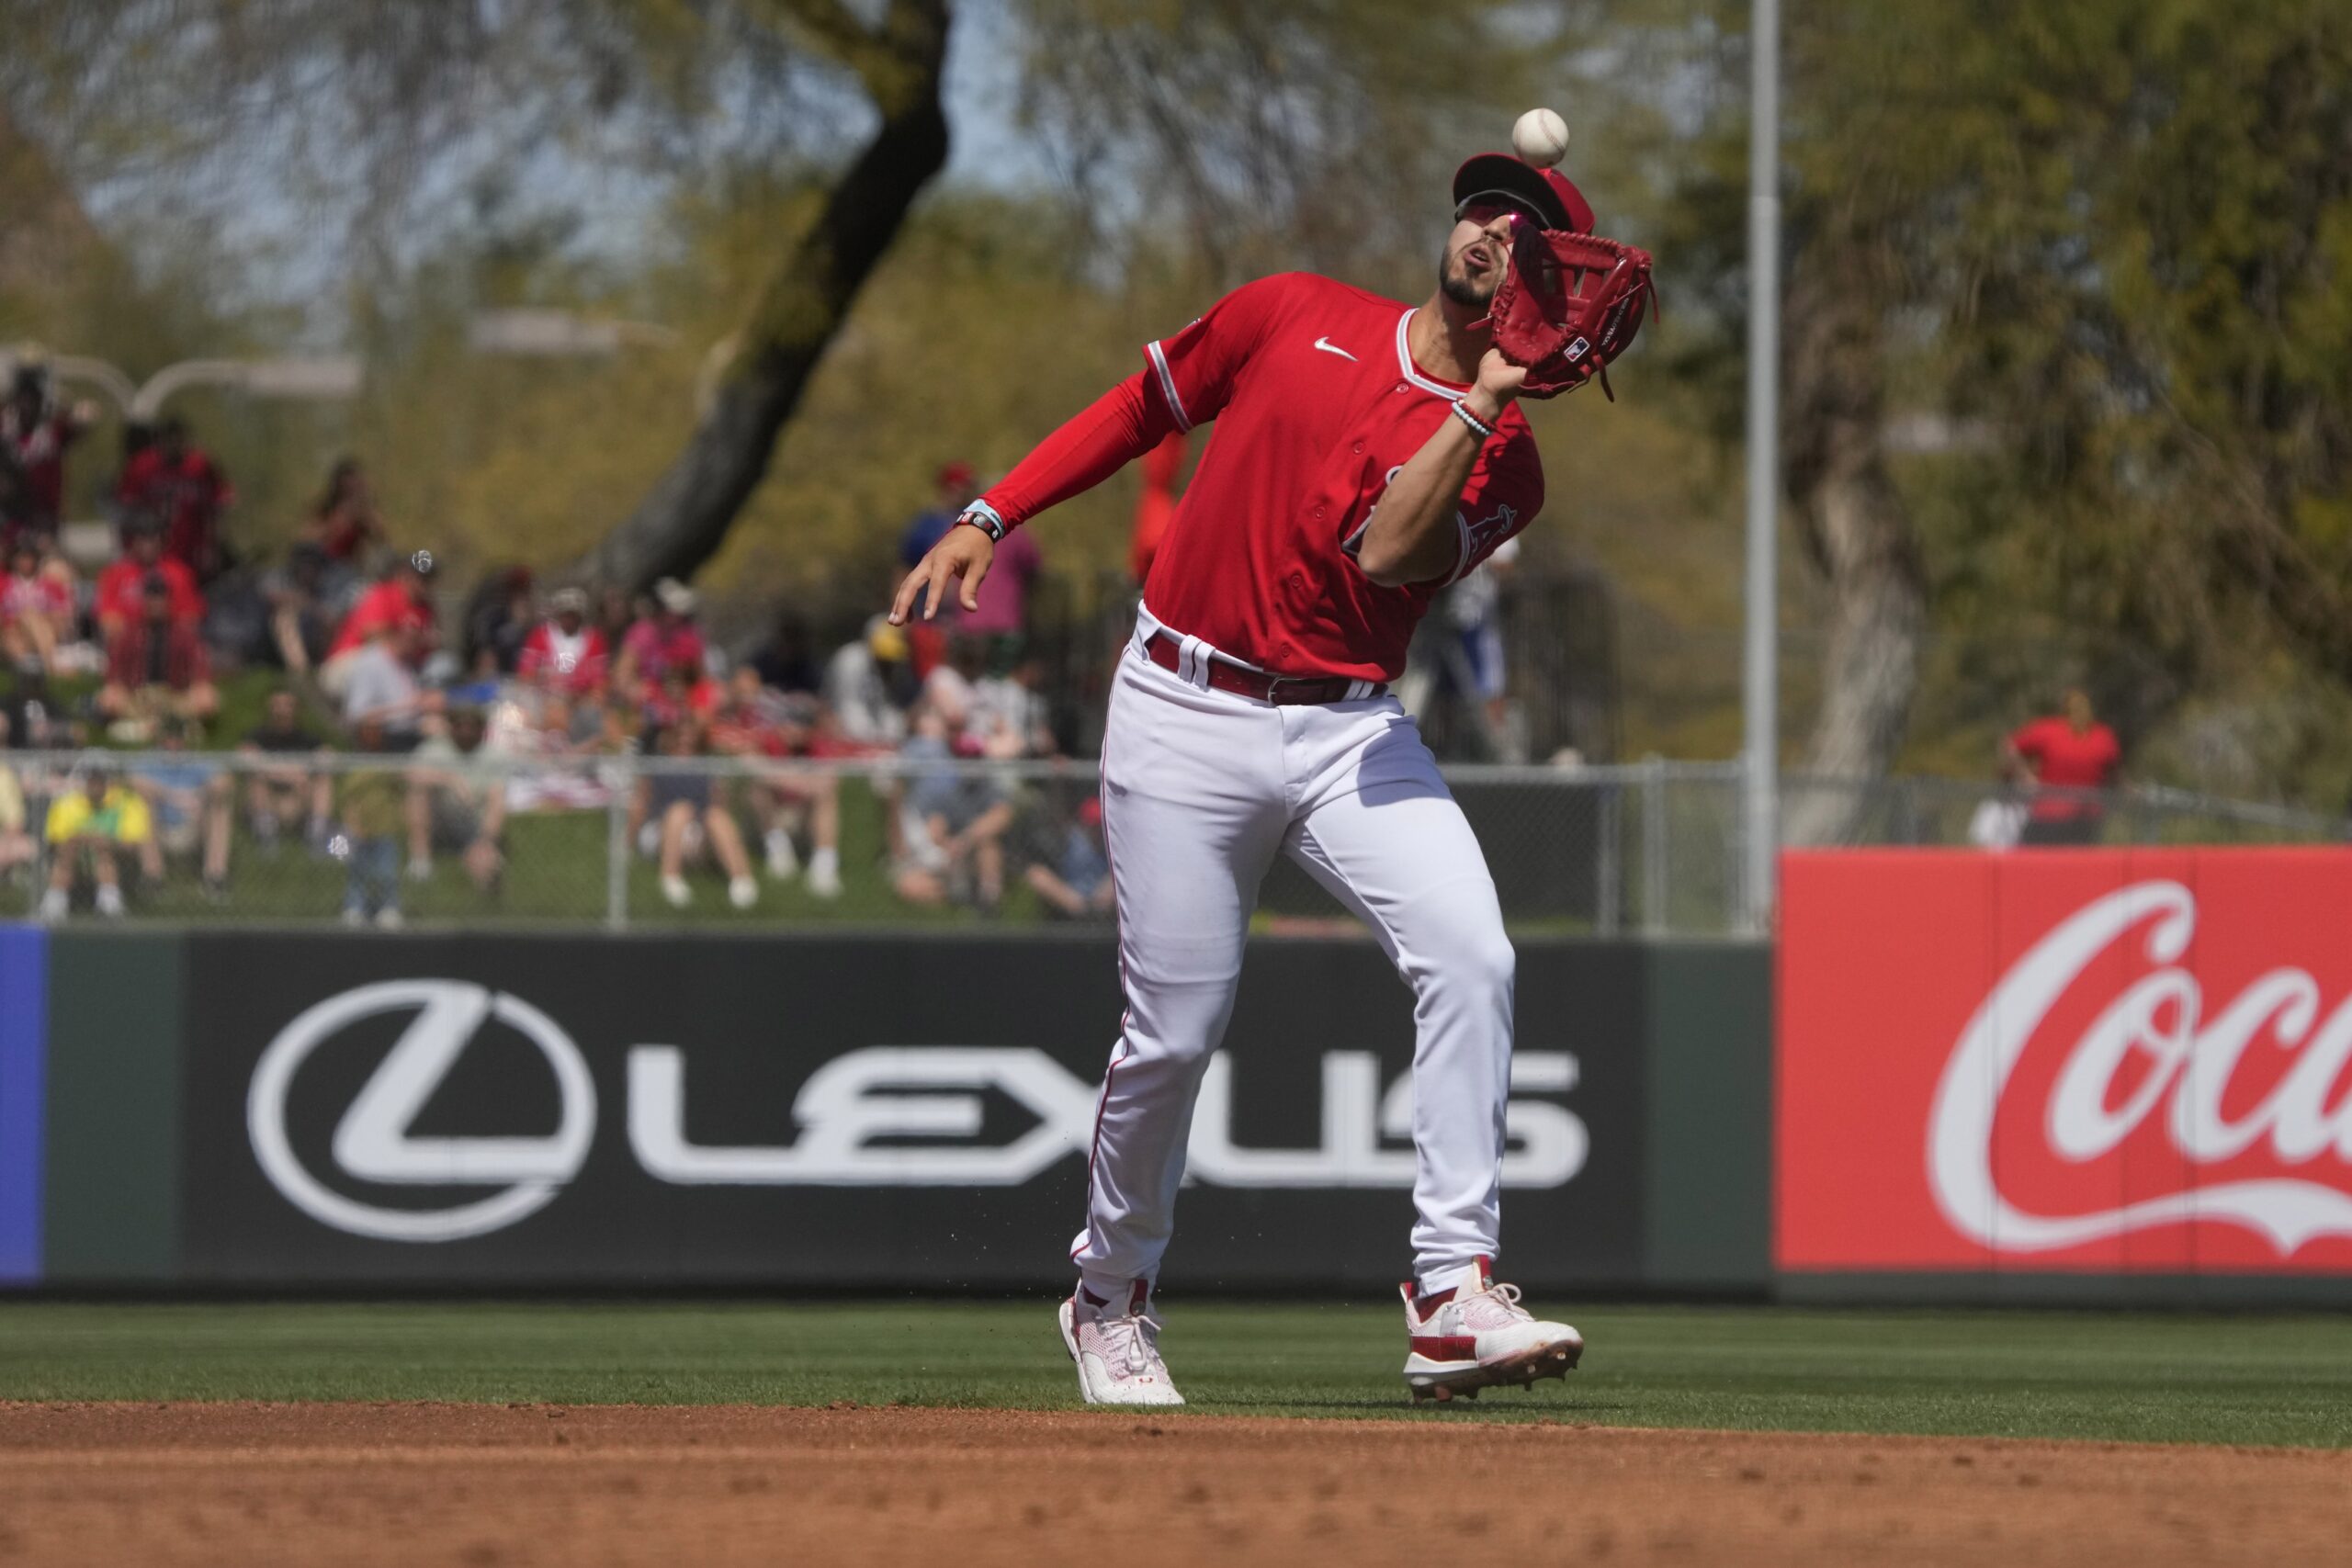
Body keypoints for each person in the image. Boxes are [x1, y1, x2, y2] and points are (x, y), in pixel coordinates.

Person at [891, 146, 1589, 1405]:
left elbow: (1386, 554)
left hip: (1348, 732)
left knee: (1474, 956)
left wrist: (1483, 400)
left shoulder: (1512, 459)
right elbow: (1135, 410)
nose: (1496, 229)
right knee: (1173, 1035)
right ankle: (1108, 1296)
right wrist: (992, 515)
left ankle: (1452, 1289)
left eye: (1531, 233)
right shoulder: (1291, 310)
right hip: (1181, 706)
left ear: (1551, 291)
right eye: (1488, 206)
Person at [708, 664, 843, 897]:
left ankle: (824, 865)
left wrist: (785, 779)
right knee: (758, 790)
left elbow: (830, 781)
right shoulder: (768, 741)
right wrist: (799, 782)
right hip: (771, 819)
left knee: (826, 798)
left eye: (802, 724)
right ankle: (777, 850)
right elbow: (752, 765)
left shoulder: (817, 746)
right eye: (792, 722)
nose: (796, 730)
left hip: (802, 817)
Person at [633, 717, 758, 910]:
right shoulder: (658, 763)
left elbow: (719, 804)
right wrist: (626, 844)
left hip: (696, 831)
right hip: (661, 829)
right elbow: (641, 802)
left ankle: (742, 879)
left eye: (691, 735)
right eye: (681, 734)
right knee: (680, 810)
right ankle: (670, 877)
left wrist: (721, 790)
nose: (686, 739)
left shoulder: (707, 765)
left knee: (716, 815)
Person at [98, 570, 220, 731]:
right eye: (151, 597)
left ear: (168, 600)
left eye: (160, 597)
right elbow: (114, 674)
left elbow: (200, 671)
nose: (156, 603)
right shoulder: (128, 634)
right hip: (138, 697)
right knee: (108, 699)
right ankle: (153, 724)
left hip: (174, 698)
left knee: (207, 700)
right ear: (144, 600)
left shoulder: (184, 635)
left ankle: (164, 723)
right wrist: (117, 690)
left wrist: (198, 689)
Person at [115, 416, 234, 580]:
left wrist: (212, 547)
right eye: (169, 439)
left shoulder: (200, 465)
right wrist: (128, 547)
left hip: (192, 550)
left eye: (179, 439)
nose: (174, 445)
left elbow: (217, 506)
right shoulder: (143, 466)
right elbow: (127, 509)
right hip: (153, 552)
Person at [127, 717, 233, 900]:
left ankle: (215, 877)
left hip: (192, 826)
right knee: (142, 806)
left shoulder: (195, 760)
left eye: (177, 736)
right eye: (169, 735)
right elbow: (133, 782)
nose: (173, 741)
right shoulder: (148, 760)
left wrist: (200, 796)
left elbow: (224, 782)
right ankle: (153, 877)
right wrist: (174, 797)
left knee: (219, 808)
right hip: (158, 828)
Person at [406, 705, 508, 890]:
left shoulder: (495, 755)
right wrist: (449, 779)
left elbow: (496, 801)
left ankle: (486, 866)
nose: (466, 732)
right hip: (437, 819)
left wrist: (487, 840)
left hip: (471, 820)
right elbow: (411, 775)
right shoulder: (434, 749)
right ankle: (420, 861)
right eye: (460, 726)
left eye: (472, 727)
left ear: (482, 729)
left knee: (485, 869)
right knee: (418, 794)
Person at [2005, 687, 2122, 846]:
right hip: (2087, 818)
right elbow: (2115, 774)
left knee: (2035, 857)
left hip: (2049, 814)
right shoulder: (2103, 736)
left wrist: (2026, 777)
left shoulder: (2049, 730)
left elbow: (2011, 745)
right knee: (2079, 858)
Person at [40, 758, 151, 920]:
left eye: (100, 779)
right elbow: (55, 842)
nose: (95, 784)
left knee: (103, 849)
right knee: (68, 849)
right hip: (74, 855)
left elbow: (132, 844)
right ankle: (55, 903)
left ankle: (109, 904)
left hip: (115, 857)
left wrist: (105, 841)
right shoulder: (65, 803)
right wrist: (83, 839)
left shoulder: (128, 802)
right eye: (91, 779)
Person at [0, 360, 98, 544]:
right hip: (9, 518)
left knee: (48, 557)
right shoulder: (6, 429)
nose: (27, 406)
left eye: (32, 400)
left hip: (45, 521)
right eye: (22, 399)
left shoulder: (53, 431)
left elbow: (87, 416)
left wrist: (62, 404)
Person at [321, 553, 436, 696]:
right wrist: (415, 640)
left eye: (429, 578)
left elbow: (431, 643)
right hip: (346, 663)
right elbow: (374, 637)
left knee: (439, 666)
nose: (424, 583)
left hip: (398, 669)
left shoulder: (425, 608)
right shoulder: (383, 594)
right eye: (420, 577)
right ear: (404, 574)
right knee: (380, 658)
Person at [238, 686, 334, 852]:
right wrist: (285, 774)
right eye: (277, 705)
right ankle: (266, 836)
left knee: (322, 780)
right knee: (256, 779)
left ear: (297, 709)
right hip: (270, 798)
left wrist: (302, 774)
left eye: (287, 705)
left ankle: (317, 833)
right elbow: (245, 756)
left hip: (299, 797)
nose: (282, 710)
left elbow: (328, 757)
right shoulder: (257, 737)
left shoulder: (309, 739)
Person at [336, 717, 408, 927]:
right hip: (357, 830)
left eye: (375, 731)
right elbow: (347, 798)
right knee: (357, 871)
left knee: (387, 871)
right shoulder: (353, 765)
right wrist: (351, 824)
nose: (371, 736)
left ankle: (389, 907)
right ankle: (354, 907)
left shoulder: (389, 764)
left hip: (385, 828)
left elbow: (400, 792)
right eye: (366, 732)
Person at [95, 515, 202, 639]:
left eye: (152, 539)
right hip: (129, 642)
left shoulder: (179, 573)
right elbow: (108, 620)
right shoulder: (115, 574)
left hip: (171, 640)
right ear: (132, 542)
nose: (147, 545)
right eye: (142, 539)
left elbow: (190, 618)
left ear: (162, 541)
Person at [614, 578, 707, 705]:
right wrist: (635, 690)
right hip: (649, 702)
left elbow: (701, 677)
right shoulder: (642, 633)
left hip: (683, 701)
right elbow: (622, 674)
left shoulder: (689, 635)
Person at [1026, 795, 1116, 919]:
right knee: (1037, 874)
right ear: (1084, 824)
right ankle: (1082, 913)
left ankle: (1094, 913)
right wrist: (1073, 900)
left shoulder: (1113, 843)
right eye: (1092, 825)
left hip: (1101, 897)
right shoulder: (1069, 840)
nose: (1096, 830)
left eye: (1099, 825)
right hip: (1072, 895)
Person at [516, 586, 610, 700]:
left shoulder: (595, 640)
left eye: (573, 615)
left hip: (581, 700)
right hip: (543, 698)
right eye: (565, 614)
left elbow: (600, 681)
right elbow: (525, 674)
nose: (569, 619)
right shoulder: (539, 636)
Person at [1, 536, 74, 672]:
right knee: (20, 626)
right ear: (15, 560)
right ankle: (48, 665)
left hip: (45, 630)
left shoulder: (50, 585)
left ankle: (33, 667)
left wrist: (37, 618)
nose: (26, 562)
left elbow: (63, 616)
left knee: (31, 616)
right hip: (11, 633)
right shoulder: (4, 584)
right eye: (22, 558)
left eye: (29, 558)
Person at [302, 457, 384, 565]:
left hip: (352, 565)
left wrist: (364, 516)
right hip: (325, 561)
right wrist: (339, 520)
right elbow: (308, 535)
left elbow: (381, 535)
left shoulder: (365, 509)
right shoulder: (328, 509)